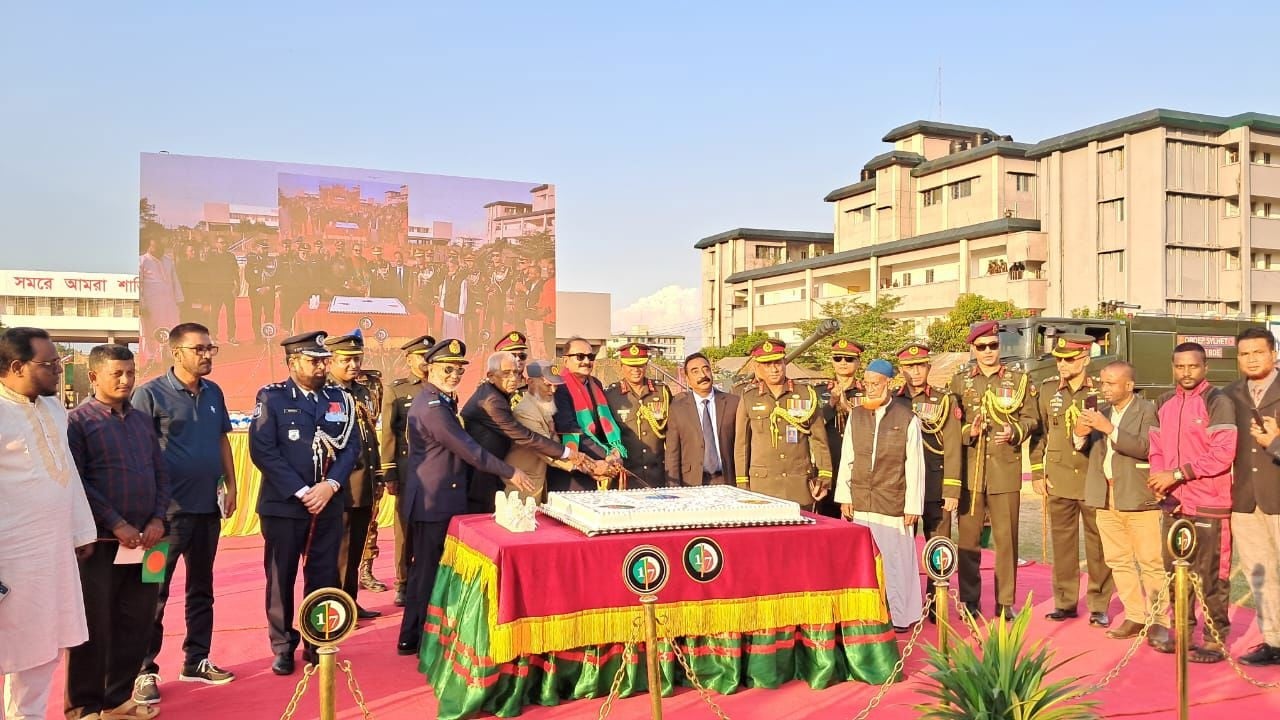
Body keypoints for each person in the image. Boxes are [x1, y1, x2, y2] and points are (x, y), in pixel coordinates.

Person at [396, 339, 534, 656]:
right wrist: (510, 471)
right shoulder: (432, 407)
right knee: (427, 572)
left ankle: (420, 634)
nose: (454, 375)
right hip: (433, 501)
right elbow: (469, 450)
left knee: (432, 570)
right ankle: (414, 637)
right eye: (448, 369)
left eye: (459, 370)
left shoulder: (441, 400)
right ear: (430, 368)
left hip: (443, 497)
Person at [130, 323, 237, 706]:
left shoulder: (214, 392)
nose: (207, 355)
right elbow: (137, 451)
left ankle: (196, 660)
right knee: (151, 592)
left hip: (207, 512)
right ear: (176, 353)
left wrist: (232, 485)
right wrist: (148, 510)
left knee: (202, 589)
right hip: (163, 520)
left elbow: (222, 439)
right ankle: (143, 670)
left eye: (210, 348)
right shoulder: (149, 395)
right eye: (199, 349)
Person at [66, 344, 171, 720]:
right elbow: (77, 481)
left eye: (130, 373)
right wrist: (116, 523)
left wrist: (158, 519)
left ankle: (118, 698)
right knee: (94, 624)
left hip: (152, 542)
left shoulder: (142, 420)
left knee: (140, 620)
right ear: (94, 376)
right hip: (100, 542)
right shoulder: (77, 422)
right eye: (117, 374)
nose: (126, 380)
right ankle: (85, 706)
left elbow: (161, 472)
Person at [249, 331, 359, 676]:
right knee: (281, 578)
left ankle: (317, 640)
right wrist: (301, 491)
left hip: (328, 504)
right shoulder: (272, 397)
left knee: (325, 576)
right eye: (313, 361)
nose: (321, 367)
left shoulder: (339, 399)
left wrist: (329, 485)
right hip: (284, 506)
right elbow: (262, 450)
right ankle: (283, 646)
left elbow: (350, 447)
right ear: (292, 362)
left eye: (324, 360)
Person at [0, 328, 96, 720]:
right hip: (10, 557)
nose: (59, 369)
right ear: (17, 367)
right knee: (11, 644)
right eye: (50, 363)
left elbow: (67, 471)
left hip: (52, 552)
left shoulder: (54, 408)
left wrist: (81, 529)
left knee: (45, 643)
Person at [1147, 342, 1237, 663]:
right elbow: (1156, 449)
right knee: (1176, 573)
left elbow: (1223, 453)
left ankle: (1214, 640)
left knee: (1211, 575)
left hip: (1210, 504)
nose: (1186, 372)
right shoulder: (1163, 402)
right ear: (1173, 367)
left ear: (1205, 368)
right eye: (1180, 366)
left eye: (1193, 366)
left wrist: (1176, 473)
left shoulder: (1217, 401)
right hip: (1174, 505)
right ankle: (1182, 634)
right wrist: (1159, 480)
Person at [949, 320, 1038, 621]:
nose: (988, 351)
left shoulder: (1019, 379)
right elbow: (951, 425)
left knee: (1006, 540)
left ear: (1000, 346)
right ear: (973, 349)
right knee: (968, 541)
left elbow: (1032, 419)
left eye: (993, 345)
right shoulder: (960, 381)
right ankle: (969, 601)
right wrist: (969, 432)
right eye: (982, 346)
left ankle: (1005, 602)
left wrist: (1015, 432)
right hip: (971, 471)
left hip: (1005, 469)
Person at [1030, 334, 1115, 627]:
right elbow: (1039, 433)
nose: (1062, 365)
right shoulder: (1047, 390)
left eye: (1069, 359)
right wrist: (1037, 471)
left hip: (1094, 477)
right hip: (1060, 477)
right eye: (1059, 359)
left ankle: (1099, 605)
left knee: (1098, 545)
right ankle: (1065, 602)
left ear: (1086, 359)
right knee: (1063, 545)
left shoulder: (1101, 391)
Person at [1077, 361, 1164, 643]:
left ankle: (1159, 620)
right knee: (1118, 561)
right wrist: (1079, 433)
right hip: (1105, 495)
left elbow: (1147, 448)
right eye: (1103, 382)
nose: (1105, 388)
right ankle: (1135, 616)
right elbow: (1084, 449)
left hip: (1137, 496)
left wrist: (1110, 429)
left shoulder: (1147, 410)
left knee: (1150, 561)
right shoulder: (1101, 412)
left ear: (1129, 385)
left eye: (1111, 383)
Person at [835, 359, 924, 631]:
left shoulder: (906, 418)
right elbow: (847, 458)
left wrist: (913, 505)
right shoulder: (857, 415)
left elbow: (915, 465)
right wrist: (845, 496)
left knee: (895, 563)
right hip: (861, 501)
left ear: (889, 383)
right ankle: (866, 615)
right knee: (863, 562)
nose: (870, 389)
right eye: (867, 383)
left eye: (876, 383)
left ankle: (899, 617)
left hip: (893, 502)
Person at [1226, 327, 1280, 666]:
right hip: (1245, 499)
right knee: (1259, 575)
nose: (1252, 359)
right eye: (1244, 354)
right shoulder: (1228, 395)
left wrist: (1275, 443)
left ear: (1274, 353)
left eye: (1258, 352)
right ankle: (1274, 641)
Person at [462, 351, 574, 514]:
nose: (514, 378)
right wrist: (574, 456)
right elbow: (526, 437)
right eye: (506, 373)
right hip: (482, 479)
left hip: (493, 474)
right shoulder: (491, 401)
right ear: (491, 376)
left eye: (516, 372)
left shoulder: (499, 393)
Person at [323, 331, 383, 620]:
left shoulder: (362, 390)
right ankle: (336, 607)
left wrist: (378, 474)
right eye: (346, 360)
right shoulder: (326, 393)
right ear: (331, 361)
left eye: (357, 359)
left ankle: (350, 602)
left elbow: (370, 437)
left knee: (356, 548)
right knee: (340, 551)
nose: (353, 365)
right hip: (341, 485)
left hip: (365, 482)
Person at [734, 339, 832, 507]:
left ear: (784, 362)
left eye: (778, 363)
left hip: (799, 483)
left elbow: (819, 439)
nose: (774, 369)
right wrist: (742, 482)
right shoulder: (749, 397)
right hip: (763, 486)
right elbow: (742, 444)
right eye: (767, 364)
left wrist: (825, 475)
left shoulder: (806, 394)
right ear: (758, 367)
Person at [378, 334, 435, 607]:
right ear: (409, 359)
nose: (425, 361)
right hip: (407, 470)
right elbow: (389, 434)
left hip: (435, 473)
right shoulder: (397, 391)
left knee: (431, 528)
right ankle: (402, 582)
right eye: (421, 356)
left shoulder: (441, 388)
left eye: (429, 356)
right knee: (405, 529)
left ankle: (427, 578)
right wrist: (389, 473)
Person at [895, 342, 962, 538]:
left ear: (929, 367)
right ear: (901, 370)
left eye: (921, 366)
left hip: (935, 483)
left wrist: (951, 489)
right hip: (902, 486)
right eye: (909, 367)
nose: (915, 372)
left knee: (939, 547)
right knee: (902, 546)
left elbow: (953, 445)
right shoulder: (892, 401)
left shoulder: (944, 400)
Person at [552, 337, 625, 492]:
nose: (586, 361)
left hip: (601, 465)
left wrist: (615, 452)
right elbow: (569, 428)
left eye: (590, 357)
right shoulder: (558, 387)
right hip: (573, 469)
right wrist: (605, 454)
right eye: (580, 357)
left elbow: (603, 425)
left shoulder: (595, 384)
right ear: (565, 361)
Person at [664, 352, 738, 487]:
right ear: (687, 379)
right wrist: (674, 489)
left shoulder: (733, 403)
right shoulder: (677, 409)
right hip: (692, 482)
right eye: (695, 371)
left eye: (706, 369)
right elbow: (672, 454)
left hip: (727, 479)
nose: (703, 375)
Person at [605, 343, 672, 489]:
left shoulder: (661, 391)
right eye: (630, 366)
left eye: (640, 365)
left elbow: (671, 431)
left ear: (646, 365)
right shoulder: (611, 395)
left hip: (658, 474)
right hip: (626, 475)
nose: (636, 370)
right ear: (621, 366)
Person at [505, 361, 574, 501]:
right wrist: (587, 466)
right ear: (530, 382)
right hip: (522, 487)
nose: (553, 390)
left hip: (536, 483)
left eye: (555, 385)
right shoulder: (525, 412)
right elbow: (546, 449)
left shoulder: (543, 405)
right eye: (547, 385)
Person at [820, 339, 865, 518]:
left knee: (857, 519)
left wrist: (849, 409)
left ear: (858, 362)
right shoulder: (818, 391)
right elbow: (812, 425)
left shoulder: (867, 391)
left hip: (858, 464)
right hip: (829, 463)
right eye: (838, 358)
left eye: (849, 359)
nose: (843, 363)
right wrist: (831, 403)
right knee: (827, 520)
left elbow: (873, 425)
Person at [204, 237, 240, 346]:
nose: (224, 244)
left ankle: (231, 336)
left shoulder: (231, 256)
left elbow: (236, 273)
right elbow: (206, 273)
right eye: (221, 242)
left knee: (231, 314)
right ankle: (213, 336)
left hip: (228, 289)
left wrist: (237, 287)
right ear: (217, 244)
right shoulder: (211, 256)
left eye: (225, 242)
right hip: (216, 290)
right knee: (214, 314)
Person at [493, 331, 530, 407]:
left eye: (522, 356)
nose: (518, 359)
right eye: (512, 356)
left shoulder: (532, 389)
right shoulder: (489, 389)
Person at [439, 252, 468, 340]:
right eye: (449, 267)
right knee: (447, 330)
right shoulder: (446, 278)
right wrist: (442, 305)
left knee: (456, 331)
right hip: (447, 308)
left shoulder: (462, 280)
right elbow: (444, 292)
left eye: (452, 267)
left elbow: (463, 296)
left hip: (456, 309)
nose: (450, 269)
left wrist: (461, 311)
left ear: (456, 267)